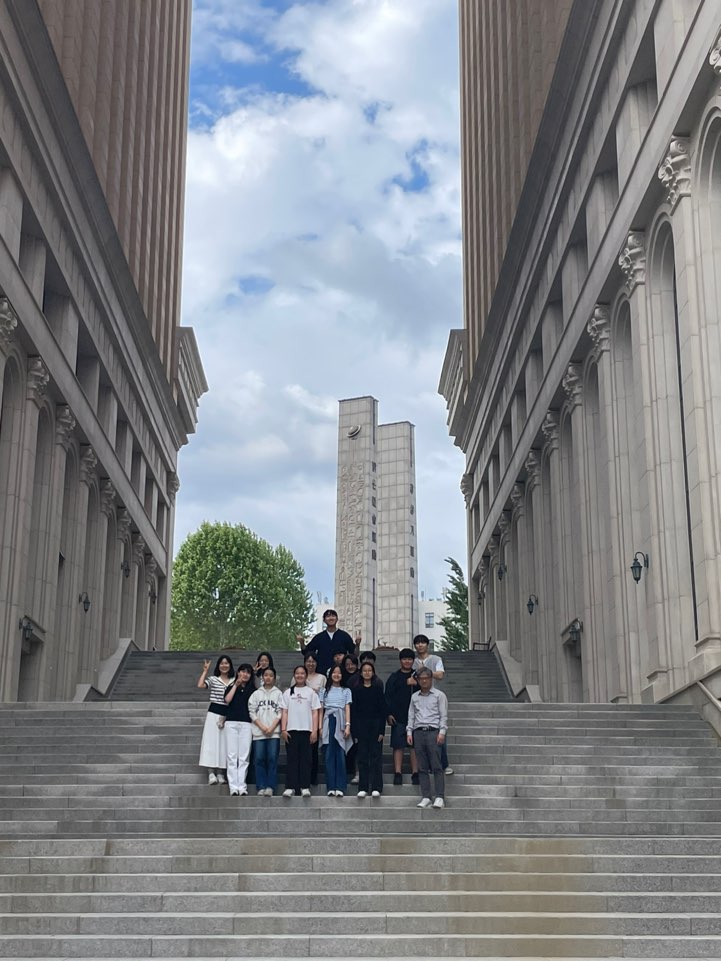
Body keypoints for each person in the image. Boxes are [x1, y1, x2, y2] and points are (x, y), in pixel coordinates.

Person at [407, 666, 447, 809]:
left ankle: (439, 796)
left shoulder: (439, 695)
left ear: (431, 679)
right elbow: (411, 715)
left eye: (426, 678)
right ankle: (426, 796)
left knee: (436, 765)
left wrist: (442, 732)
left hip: (433, 731)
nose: (424, 681)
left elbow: (443, 715)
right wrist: (409, 732)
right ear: (417, 680)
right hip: (418, 732)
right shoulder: (414, 696)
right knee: (422, 767)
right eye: (421, 679)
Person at [412, 634, 452, 775]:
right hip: (420, 698)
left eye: (423, 642)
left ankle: (444, 764)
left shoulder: (436, 659)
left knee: (440, 729)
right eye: (417, 643)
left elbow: (440, 675)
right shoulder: (413, 662)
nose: (420, 645)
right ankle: (427, 765)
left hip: (436, 696)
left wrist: (425, 672)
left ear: (427, 645)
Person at [281, 665, 321, 798]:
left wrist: (314, 730)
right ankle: (290, 787)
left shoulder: (311, 693)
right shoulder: (288, 693)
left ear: (306, 675)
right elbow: (284, 711)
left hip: (307, 730)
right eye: (297, 673)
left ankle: (305, 786)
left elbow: (315, 712)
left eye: (302, 673)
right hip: (291, 730)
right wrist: (283, 729)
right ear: (294, 675)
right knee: (292, 759)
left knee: (306, 760)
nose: (300, 675)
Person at [197, 655, 234, 785]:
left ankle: (220, 772)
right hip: (213, 713)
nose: (224, 666)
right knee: (211, 742)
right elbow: (200, 685)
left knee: (224, 743)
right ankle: (211, 772)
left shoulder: (234, 681)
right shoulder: (213, 679)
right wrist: (205, 671)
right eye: (222, 663)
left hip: (227, 714)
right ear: (218, 666)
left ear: (230, 665)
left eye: (226, 663)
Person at [351, 661, 386, 798]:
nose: (367, 673)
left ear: (373, 673)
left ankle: (377, 787)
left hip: (376, 727)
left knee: (376, 757)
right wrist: (354, 732)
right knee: (363, 757)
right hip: (361, 727)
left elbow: (383, 711)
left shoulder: (377, 689)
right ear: (361, 673)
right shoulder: (356, 690)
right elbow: (353, 712)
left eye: (369, 670)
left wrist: (382, 731)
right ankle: (363, 787)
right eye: (364, 670)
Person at [385, 648, 420, 785]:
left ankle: (415, 772)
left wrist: (416, 683)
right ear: (400, 660)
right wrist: (388, 713)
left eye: (410, 659)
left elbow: (426, 689)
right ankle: (398, 772)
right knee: (398, 745)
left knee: (414, 746)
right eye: (404, 659)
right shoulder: (394, 677)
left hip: (416, 717)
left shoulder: (418, 675)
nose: (407, 662)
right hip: (398, 716)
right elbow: (387, 696)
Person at [248, 666, 283, 796]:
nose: (268, 677)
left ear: (274, 678)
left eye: (271, 675)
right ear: (262, 677)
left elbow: (281, 712)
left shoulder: (279, 694)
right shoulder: (256, 694)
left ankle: (270, 786)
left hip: (274, 733)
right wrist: (262, 727)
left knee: (272, 759)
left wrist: (272, 727)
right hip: (259, 733)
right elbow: (252, 712)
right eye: (266, 675)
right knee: (259, 759)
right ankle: (261, 786)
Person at [223, 663, 256, 796]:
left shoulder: (253, 690)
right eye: (243, 671)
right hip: (231, 723)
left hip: (246, 724)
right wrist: (235, 685)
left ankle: (242, 786)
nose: (245, 674)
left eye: (248, 672)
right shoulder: (231, 687)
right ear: (238, 673)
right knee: (232, 756)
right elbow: (227, 700)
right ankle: (233, 786)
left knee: (244, 757)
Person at [297, 609, 360, 675]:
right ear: (324, 620)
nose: (331, 618)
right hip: (322, 672)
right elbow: (306, 652)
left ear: (337, 619)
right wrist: (302, 643)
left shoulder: (344, 636)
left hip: (341, 673)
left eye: (333, 616)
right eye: (328, 616)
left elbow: (354, 654)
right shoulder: (319, 637)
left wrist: (357, 644)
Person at [321, 665, 352, 796]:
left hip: (341, 722)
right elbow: (321, 709)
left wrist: (348, 725)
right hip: (328, 721)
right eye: (334, 672)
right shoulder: (324, 691)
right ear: (330, 674)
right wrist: (320, 727)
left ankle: (340, 786)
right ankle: (331, 787)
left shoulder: (346, 690)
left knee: (340, 754)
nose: (336, 675)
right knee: (329, 754)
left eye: (339, 673)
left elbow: (347, 708)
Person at [303, 652, 326, 785]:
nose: (310, 664)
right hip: (301, 717)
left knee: (313, 749)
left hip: (316, 714)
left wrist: (320, 724)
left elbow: (323, 698)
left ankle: (313, 778)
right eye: (308, 661)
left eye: (313, 661)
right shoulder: (299, 675)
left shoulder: (322, 678)